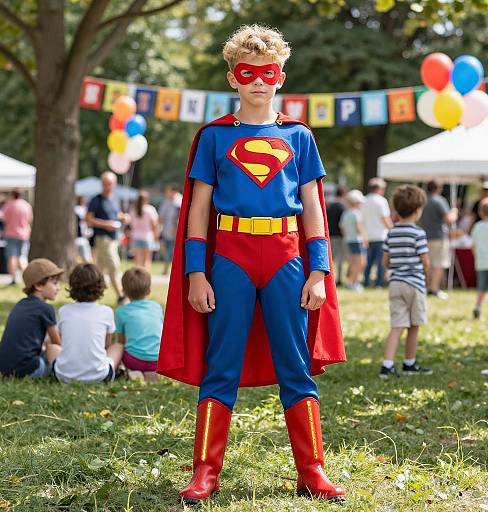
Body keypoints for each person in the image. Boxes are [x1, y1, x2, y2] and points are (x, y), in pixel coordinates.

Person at [157, 25, 346, 504]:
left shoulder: (299, 137)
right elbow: (199, 209)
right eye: (248, 72)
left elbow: (312, 206)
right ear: (232, 78)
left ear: (280, 77)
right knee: (219, 365)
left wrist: (319, 269)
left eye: (268, 72)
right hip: (230, 258)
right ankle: (205, 472)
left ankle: (313, 471)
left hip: (285, 256)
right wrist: (195, 272)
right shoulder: (215, 138)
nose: (258, 82)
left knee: (296, 366)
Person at [380, 185, 431, 378]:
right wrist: (425, 274)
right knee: (414, 324)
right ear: (418, 210)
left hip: (395, 284)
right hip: (414, 284)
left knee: (397, 325)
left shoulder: (391, 233)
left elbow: (386, 261)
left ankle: (387, 365)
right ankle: (409, 363)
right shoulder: (418, 233)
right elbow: (425, 261)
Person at [52, 263, 123, 383]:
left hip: (64, 376)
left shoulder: (64, 311)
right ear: (100, 285)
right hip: (100, 376)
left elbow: (62, 342)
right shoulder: (106, 312)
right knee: (118, 346)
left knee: (51, 347)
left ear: (72, 286)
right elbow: (106, 345)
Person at [0, 258, 63, 378]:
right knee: (53, 354)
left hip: (4, 368)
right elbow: (56, 343)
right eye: (54, 283)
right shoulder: (46, 309)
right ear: (39, 285)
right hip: (29, 369)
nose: (58, 288)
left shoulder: (19, 304)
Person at [86, 172, 129, 303]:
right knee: (114, 265)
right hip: (102, 238)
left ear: (114, 184)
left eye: (109, 183)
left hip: (114, 238)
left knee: (100, 269)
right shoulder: (96, 199)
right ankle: (121, 296)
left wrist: (123, 217)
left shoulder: (115, 198)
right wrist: (106, 224)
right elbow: (88, 219)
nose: (106, 186)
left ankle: (91, 294)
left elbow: (116, 214)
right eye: (104, 183)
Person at [115, 267, 163, 378]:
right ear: (149, 290)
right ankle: (151, 373)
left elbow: (121, 341)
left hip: (133, 361)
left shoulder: (121, 312)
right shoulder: (157, 307)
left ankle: (133, 372)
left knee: (119, 346)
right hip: (158, 361)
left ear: (123, 291)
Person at [419, 180, 458, 299]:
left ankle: (426, 288)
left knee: (427, 264)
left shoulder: (423, 200)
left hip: (424, 236)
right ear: (439, 188)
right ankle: (434, 289)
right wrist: (454, 212)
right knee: (438, 264)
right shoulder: (439, 200)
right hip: (438, 237)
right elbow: (448, 219)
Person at [362, 177, 392, 288]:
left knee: (368, 262)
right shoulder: (381, 201)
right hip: (380, 235)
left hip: (368, 235)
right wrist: (392, 229)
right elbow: (385, 218)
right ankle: (379, 283)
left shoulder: (365, 200)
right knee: (380, 262)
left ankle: (366, 282)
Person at [2, 190, 33, 286]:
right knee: (22, 256)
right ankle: (27, 279)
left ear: (12, 195)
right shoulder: (26, 206)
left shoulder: (9, 205)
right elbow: (30, 219)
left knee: (12, 257)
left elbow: (4, 219)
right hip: (24, 234)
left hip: (11, 233)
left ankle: (13, 279)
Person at [340, 189, 367, 291]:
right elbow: (359, 227)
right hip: (357, 241)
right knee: (360, 263)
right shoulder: (356, 213)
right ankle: (354, 283)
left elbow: (342, 228)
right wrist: (365, 238)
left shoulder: (345, 213)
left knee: (352, 262)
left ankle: (351, 282)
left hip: (349, 240)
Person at [129, 190, 159, 270]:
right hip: (147, 236)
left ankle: (137, 279)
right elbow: (154, 224)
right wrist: (156, 236)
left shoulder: (133, 210)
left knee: (137, 261)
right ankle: (146, 278)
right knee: (147, 260)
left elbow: (131, 224)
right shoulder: (150, 209)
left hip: (135, 236)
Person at [159, 184, 182, 275]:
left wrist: (175, 228)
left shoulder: (179, 201)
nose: (166, 193)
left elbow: (177, 217)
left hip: (175, 231)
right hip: (167, 231)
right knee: (167, 250)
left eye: (167, 191)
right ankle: (167, 269)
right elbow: (161, 217)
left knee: (172, 251)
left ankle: (170, 270)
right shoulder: (167, 202)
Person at [326, 185, 347, 287]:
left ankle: (330, 278)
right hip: (340, 235)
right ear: (343, 194)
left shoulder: (329, 205)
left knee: (332, 258)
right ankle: (339, 278)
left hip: (330, 234)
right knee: (340, 259)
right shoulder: (342, 206)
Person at [75, 195, 93, 263]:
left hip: (75, 239)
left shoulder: (75, 209)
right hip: (82, 239)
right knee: (87, 261)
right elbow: (84, 224)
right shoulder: (82, 210)